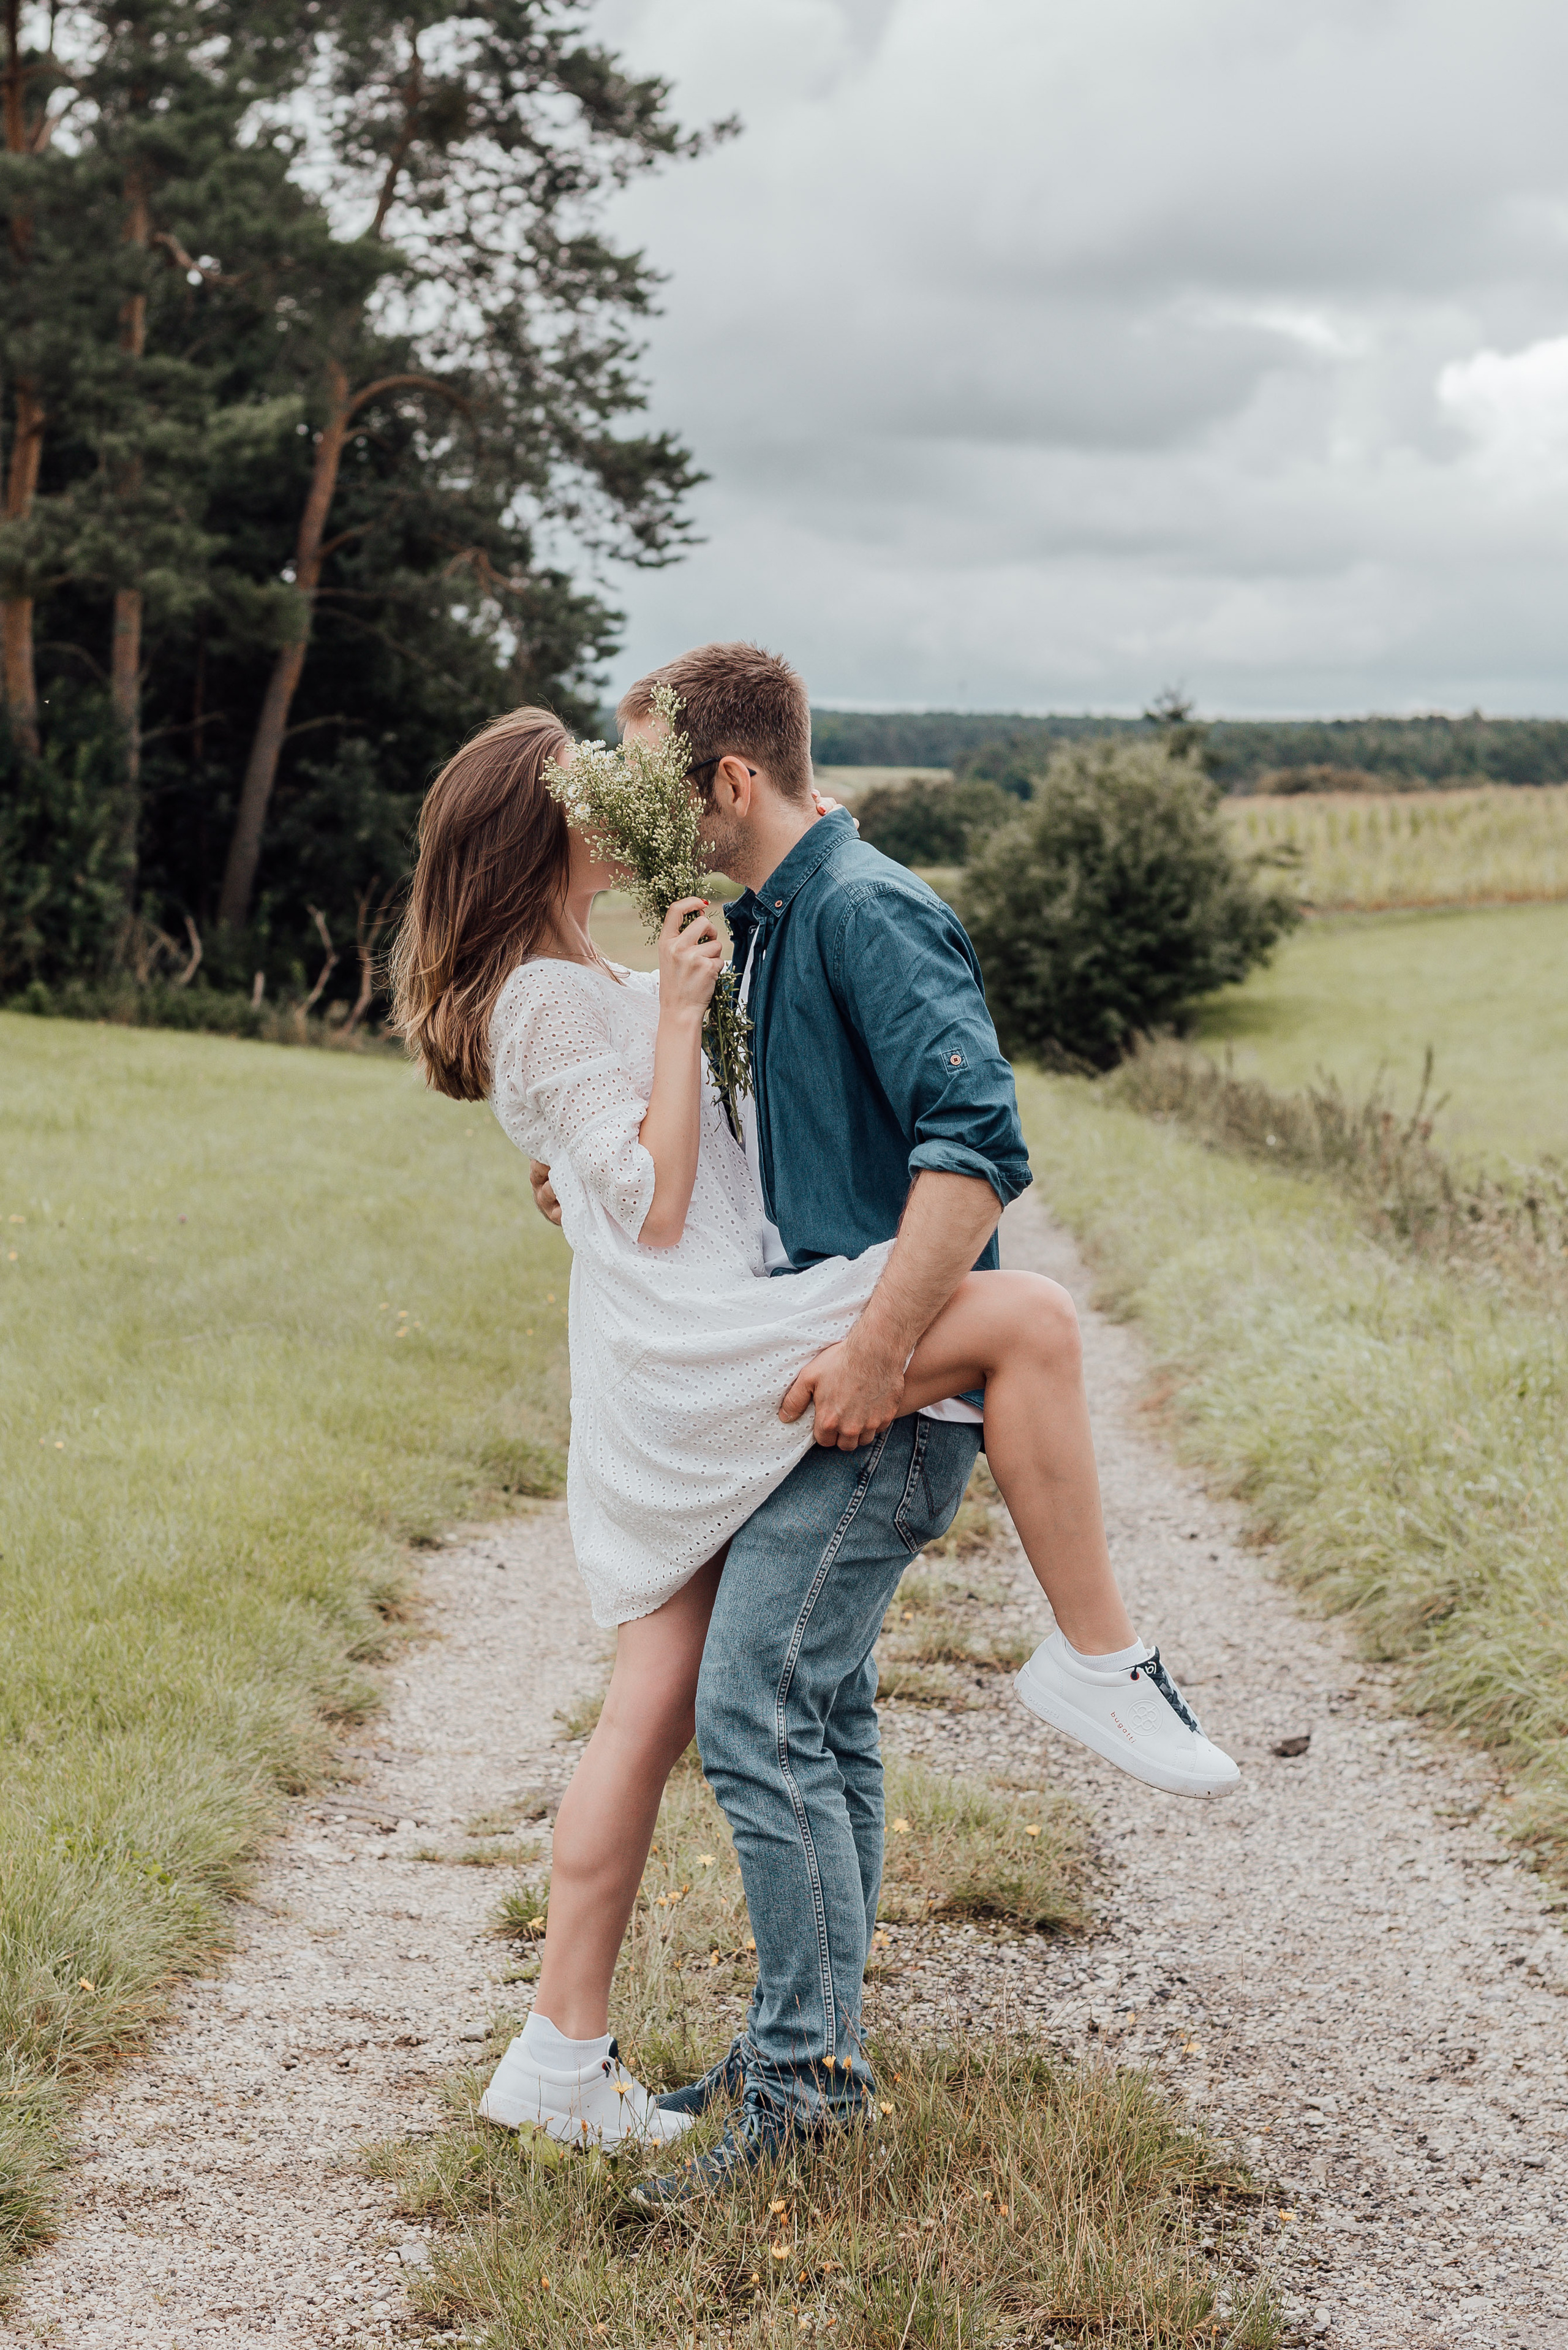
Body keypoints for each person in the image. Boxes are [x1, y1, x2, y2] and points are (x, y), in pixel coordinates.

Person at [390, 646, 1237, 2178]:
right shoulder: (623, 968)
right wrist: (607, 1128)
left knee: (715, 1702)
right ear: (551, 825)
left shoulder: (791, 917)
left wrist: (785, 868)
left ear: (715, 787)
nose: (629, 806)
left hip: (765, 1328)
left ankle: (635, 2051)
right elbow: (647, 1171)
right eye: (598, 785)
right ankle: (719, 2049)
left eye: (648, 777)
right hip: (715, 1332)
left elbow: (818, 1123)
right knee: (749, 1697)